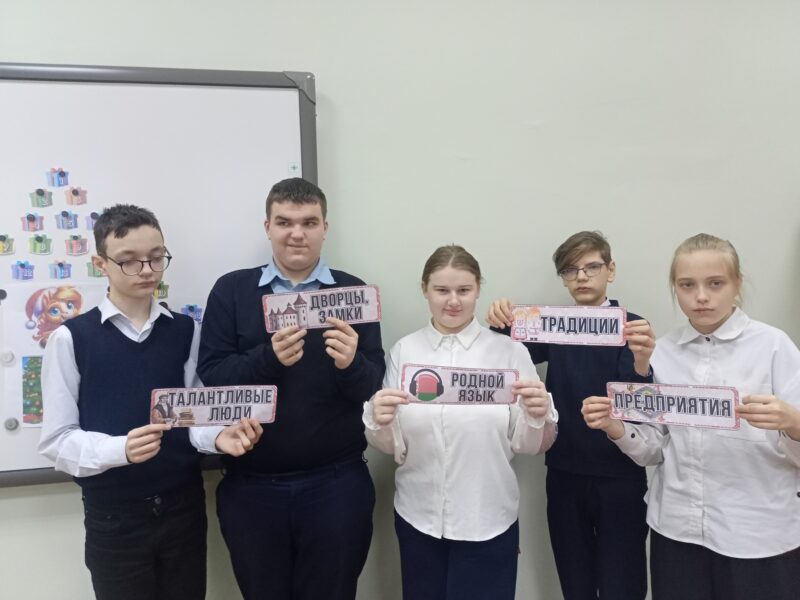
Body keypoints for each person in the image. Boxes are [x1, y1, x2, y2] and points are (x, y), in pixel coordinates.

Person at [39, 204, 263, 600]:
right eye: (129, 261)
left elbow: (193, 416)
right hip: (114, 516)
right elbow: (57, 440)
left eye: (156, 257)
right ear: (100, 264)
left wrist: (217, 437)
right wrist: (120, 449)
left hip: (183, 507)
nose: (146, 270)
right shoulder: (71, 339)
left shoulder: (186, 331)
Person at [582, 233, 800, 600]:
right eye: (687, 285)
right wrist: (615, 427)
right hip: (676, 532)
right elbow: (655, 450)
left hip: (758, 535)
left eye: (715, 283)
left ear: (737, 284)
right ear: (675, 288)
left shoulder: (774, 347)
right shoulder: (663, 353)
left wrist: (793, 422)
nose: (701, 296)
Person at [197, 178, 385, 600]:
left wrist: (350, 364)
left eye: (308, 223)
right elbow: (213, 376)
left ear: (325, 228)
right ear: (267, 227)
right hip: (252, 487)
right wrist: (268, 358)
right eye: (284, 222)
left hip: (337, 485)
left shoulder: (353, 293)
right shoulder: (232, 291)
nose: (296, 233)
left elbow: (374, 389)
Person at [364, 244, 558, 600]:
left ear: (478, 289)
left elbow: (532, 445)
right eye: (442, 290)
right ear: (425, 289)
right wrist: (379, 420)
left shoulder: (509, 352)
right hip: (418, 517)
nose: (453, 301)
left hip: (488, 518)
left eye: (464, 290)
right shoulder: (405, 351)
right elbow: (392, 445)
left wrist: (537, 413)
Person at [486, 231, 655, 600]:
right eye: (570, 270)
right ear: (563, 277)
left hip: (620, 476)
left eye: (591, 267)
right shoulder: (553, 323)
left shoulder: (632, 326)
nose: (581, 277)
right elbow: (505, 352)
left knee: (623, 584)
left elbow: (641, 409)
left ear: (611, 270)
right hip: (564, 474)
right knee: (574, 582)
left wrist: (643, 364)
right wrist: (499, 318)